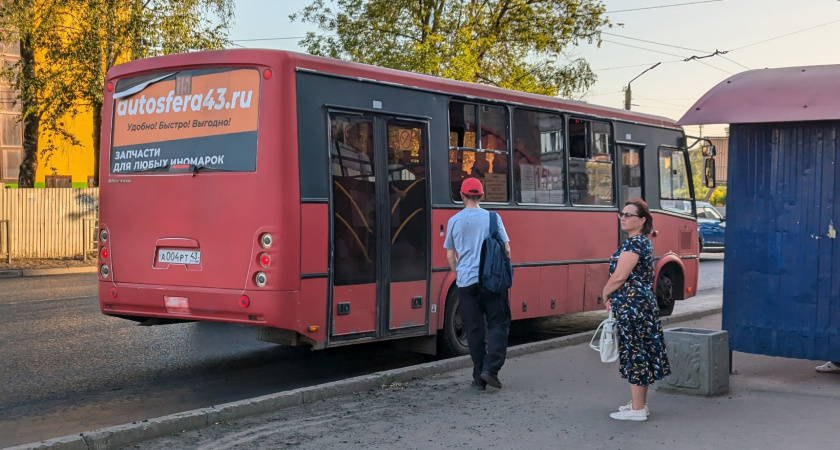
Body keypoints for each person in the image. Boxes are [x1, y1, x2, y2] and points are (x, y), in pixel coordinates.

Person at [602, 199, 670, 421]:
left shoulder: (634, 244)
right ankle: (638, 404)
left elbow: (620, 276)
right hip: (641, 305)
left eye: (629, 215)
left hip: (634, 307)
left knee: (635, 354)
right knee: (640, 352)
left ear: (642, 221)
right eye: (622, 214)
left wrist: (605, 292)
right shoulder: (641, 242)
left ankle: (638, 410)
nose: (623, 217)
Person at [444, 177, 512, 391]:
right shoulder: (493, 218)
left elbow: (449, 255)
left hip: (466, 283)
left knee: (474, 329)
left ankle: (478, 377)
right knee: (497, 323)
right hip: (491, 281)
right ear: (481, 195)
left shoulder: (454, 220)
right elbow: (507, 250)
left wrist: (459, 273)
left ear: (462, 196)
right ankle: (490, 369)